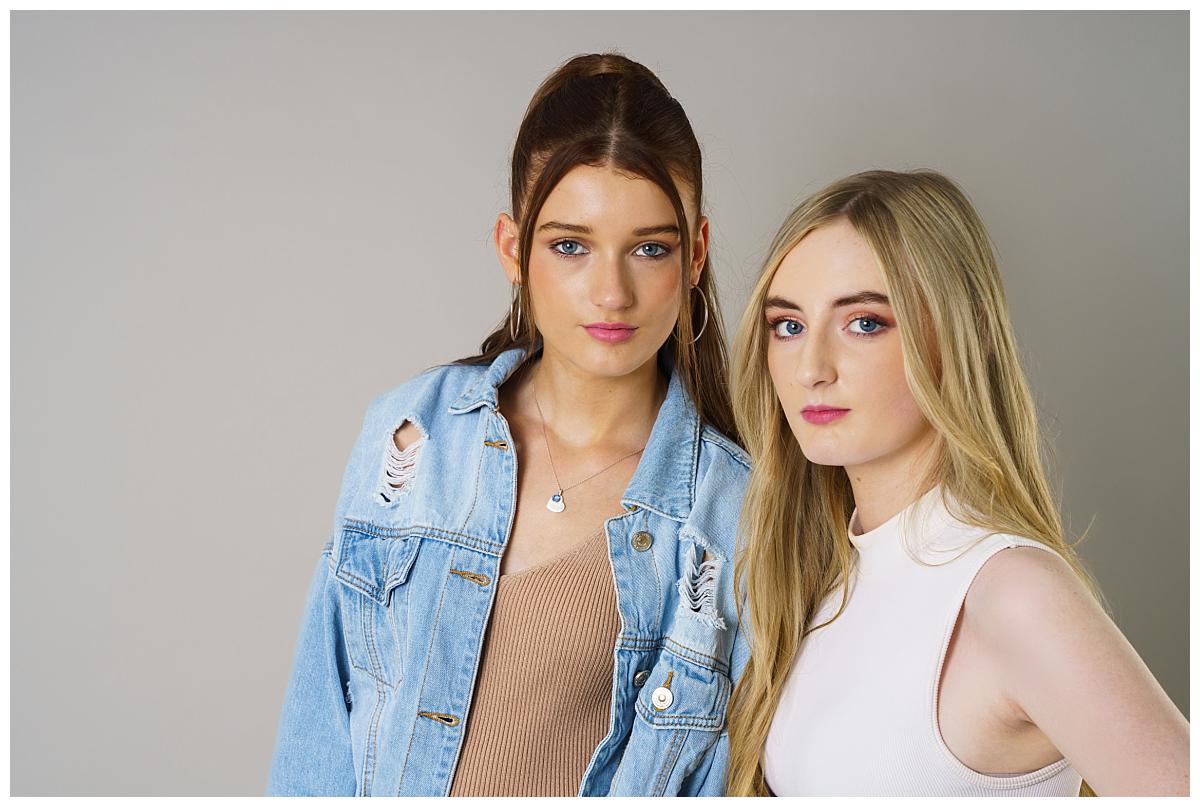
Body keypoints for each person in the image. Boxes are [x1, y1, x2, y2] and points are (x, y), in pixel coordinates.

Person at [267, 53, 750, 797]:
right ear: (511, 249)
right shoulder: (412, 437)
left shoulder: (729, 513)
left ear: (696, 256)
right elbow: (318, 726)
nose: (611, 291)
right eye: (570, 245)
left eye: (650, 248)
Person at [724, 170, 1189, 796]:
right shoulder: (824, 584)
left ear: (959, 332)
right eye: (789, 326)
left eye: (863, 323)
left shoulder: (1011, 592)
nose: (812, 368)